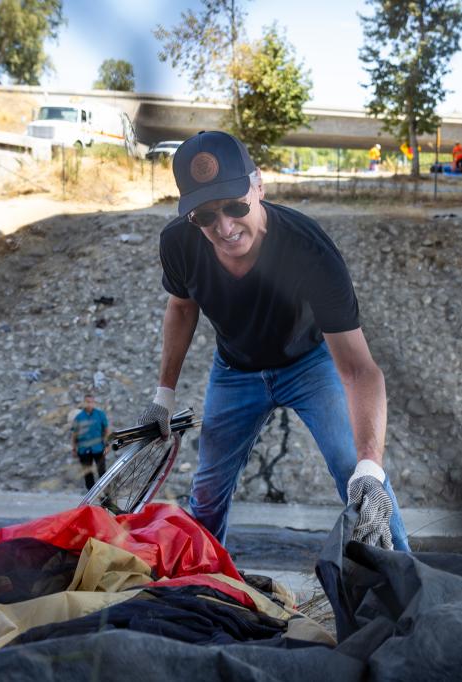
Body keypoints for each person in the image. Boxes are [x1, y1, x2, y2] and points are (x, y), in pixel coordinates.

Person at [138, 131, 410, 551]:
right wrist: (164, 394)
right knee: (207, 489)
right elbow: (181, 308)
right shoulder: (178, 243)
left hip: (309, 365)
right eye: (205, 217)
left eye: (234, 206)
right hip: (234, 371)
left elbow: (358, 369)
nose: (225, 227)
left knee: (354, 470)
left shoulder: (309, 250)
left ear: (258, 185)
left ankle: (405, 589)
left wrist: (371, 466)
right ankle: (202, 587)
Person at [71, 393, 111, 490]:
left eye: (91, 402)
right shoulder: (78, 417)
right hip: (83, 450)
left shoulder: (100, 415)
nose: (89, 404)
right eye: (87, 402)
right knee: (88, 474)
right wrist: (74, 448)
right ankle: (91, 497)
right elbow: (74, 434)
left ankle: (106, 497)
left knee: (102, 472)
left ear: (94, 403)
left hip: (98, 448)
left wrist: (108, 444)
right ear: (84, 403)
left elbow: (106, 430)